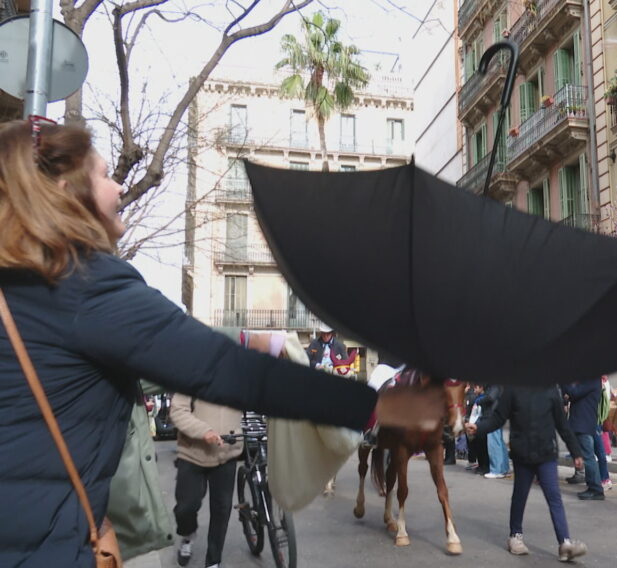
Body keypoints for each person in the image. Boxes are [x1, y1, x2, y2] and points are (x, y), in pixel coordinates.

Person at [0, 118, 442, 566]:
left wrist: (253, 339)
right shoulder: (83, 285)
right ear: (63, 192)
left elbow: (147, 357)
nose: (118, 188)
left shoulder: (24, 289)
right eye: (103, 174)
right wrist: (374, 406)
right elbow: (221, 368)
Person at [465, 386, 588, 562]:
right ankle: (515, 536)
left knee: (554, 497)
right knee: (520, 496)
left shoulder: (550, 390)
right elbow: (498, 418)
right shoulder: (512, 390)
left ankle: (565, 543)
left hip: (546, 454)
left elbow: (562, 425)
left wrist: (576, 452)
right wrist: (478, 427)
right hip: (522, 454)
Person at [170, 395, 242, 568]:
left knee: (221, 510)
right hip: (192, 453)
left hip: (227, 452)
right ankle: (188, 534)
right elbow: (178, 411)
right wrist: (204, 431)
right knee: (185, 508)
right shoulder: (192, 378)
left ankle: (213, 561)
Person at [562, 378, 604, 500]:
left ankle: (595, 489)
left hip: (583, 424)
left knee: (588, 457)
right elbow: (573, 396)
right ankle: (592, 486)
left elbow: (574, 393)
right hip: (581, 423)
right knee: (586, 456)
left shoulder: (591, 380)